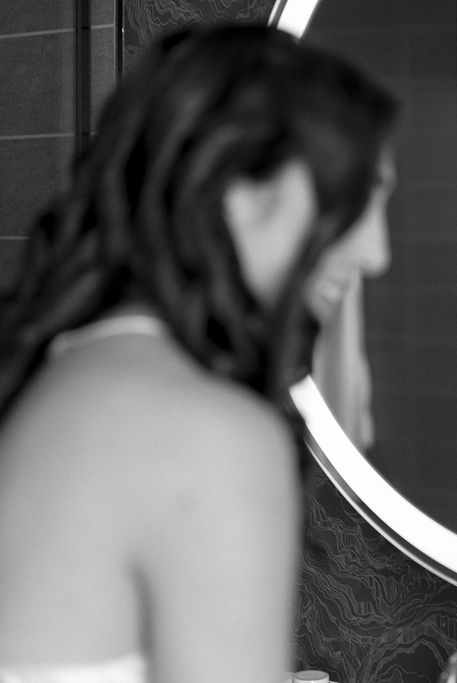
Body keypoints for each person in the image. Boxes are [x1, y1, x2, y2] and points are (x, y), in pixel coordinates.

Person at [0, 24, 396, 681]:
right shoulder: (208, 433)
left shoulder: (66, 369)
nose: (375, 251)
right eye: (356, 196)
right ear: (240, 193)